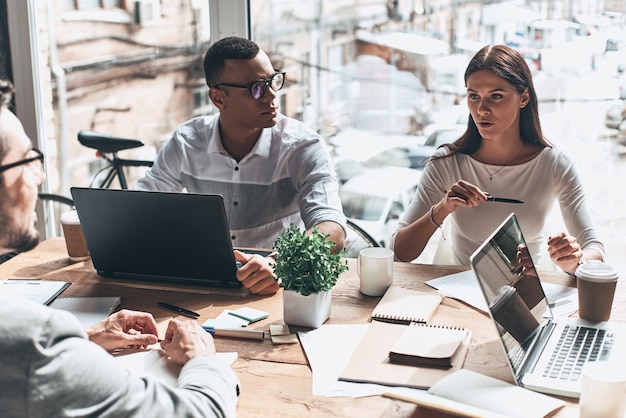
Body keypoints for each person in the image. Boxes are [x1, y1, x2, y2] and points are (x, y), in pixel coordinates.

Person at [0, 78, 240, 417]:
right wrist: (203, 361)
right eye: (28, 159)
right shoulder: (31, 341)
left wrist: (82, 342)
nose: (38, 178)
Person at [135, 37, 346, 295]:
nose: (271, 96)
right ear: (218, 98)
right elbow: (140, 207)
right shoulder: (186, 142)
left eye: (272, 81)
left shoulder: (302, 146)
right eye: (256, 88)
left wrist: (278, 262)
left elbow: (332, 229)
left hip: (276, 288)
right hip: (203, 284)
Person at [390, 45, 605, 275]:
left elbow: (596, 250)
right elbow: (398, 253)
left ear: (523, 97)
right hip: (457, 297)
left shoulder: (554, 165)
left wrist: (575, 260)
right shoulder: (446, 164)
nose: (482, 109)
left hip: (527, 300)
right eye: (474, 96)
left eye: (496, 96)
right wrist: (443, 208)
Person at [342, 31, 428, 134]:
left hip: (353, 142)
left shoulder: (342, 76)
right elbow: (427, 112)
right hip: (399, 141)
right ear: (383, 48)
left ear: (356, 46)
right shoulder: (407, 80)